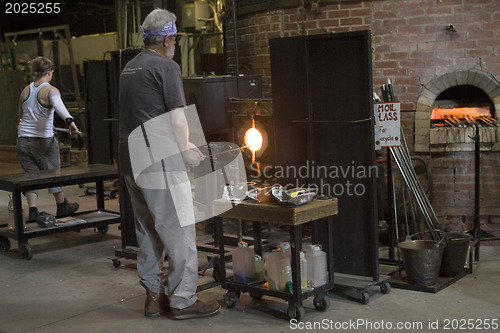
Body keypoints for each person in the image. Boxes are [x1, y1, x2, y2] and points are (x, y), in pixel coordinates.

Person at [118, 8, 220, 320]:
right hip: (160, 161)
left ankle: (153, 298)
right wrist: (186, 149)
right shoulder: (167, 66)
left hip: (131, 162)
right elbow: (176, 116)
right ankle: (183, 301)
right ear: (168, 39)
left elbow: (145, 114)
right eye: (174, 39)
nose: (174, 44)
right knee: (180, 231)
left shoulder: (129, 68)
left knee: (149, 231)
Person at [17, 56, 80, 224]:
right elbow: (59, 106)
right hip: (42, 140)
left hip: (23, 140)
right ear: (50, 72)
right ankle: (61, 205)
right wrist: (71, 123)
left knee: (30, 175)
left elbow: (20, 117)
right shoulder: (51, 90)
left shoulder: (25, 91)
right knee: (53, 172)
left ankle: (32, 210)